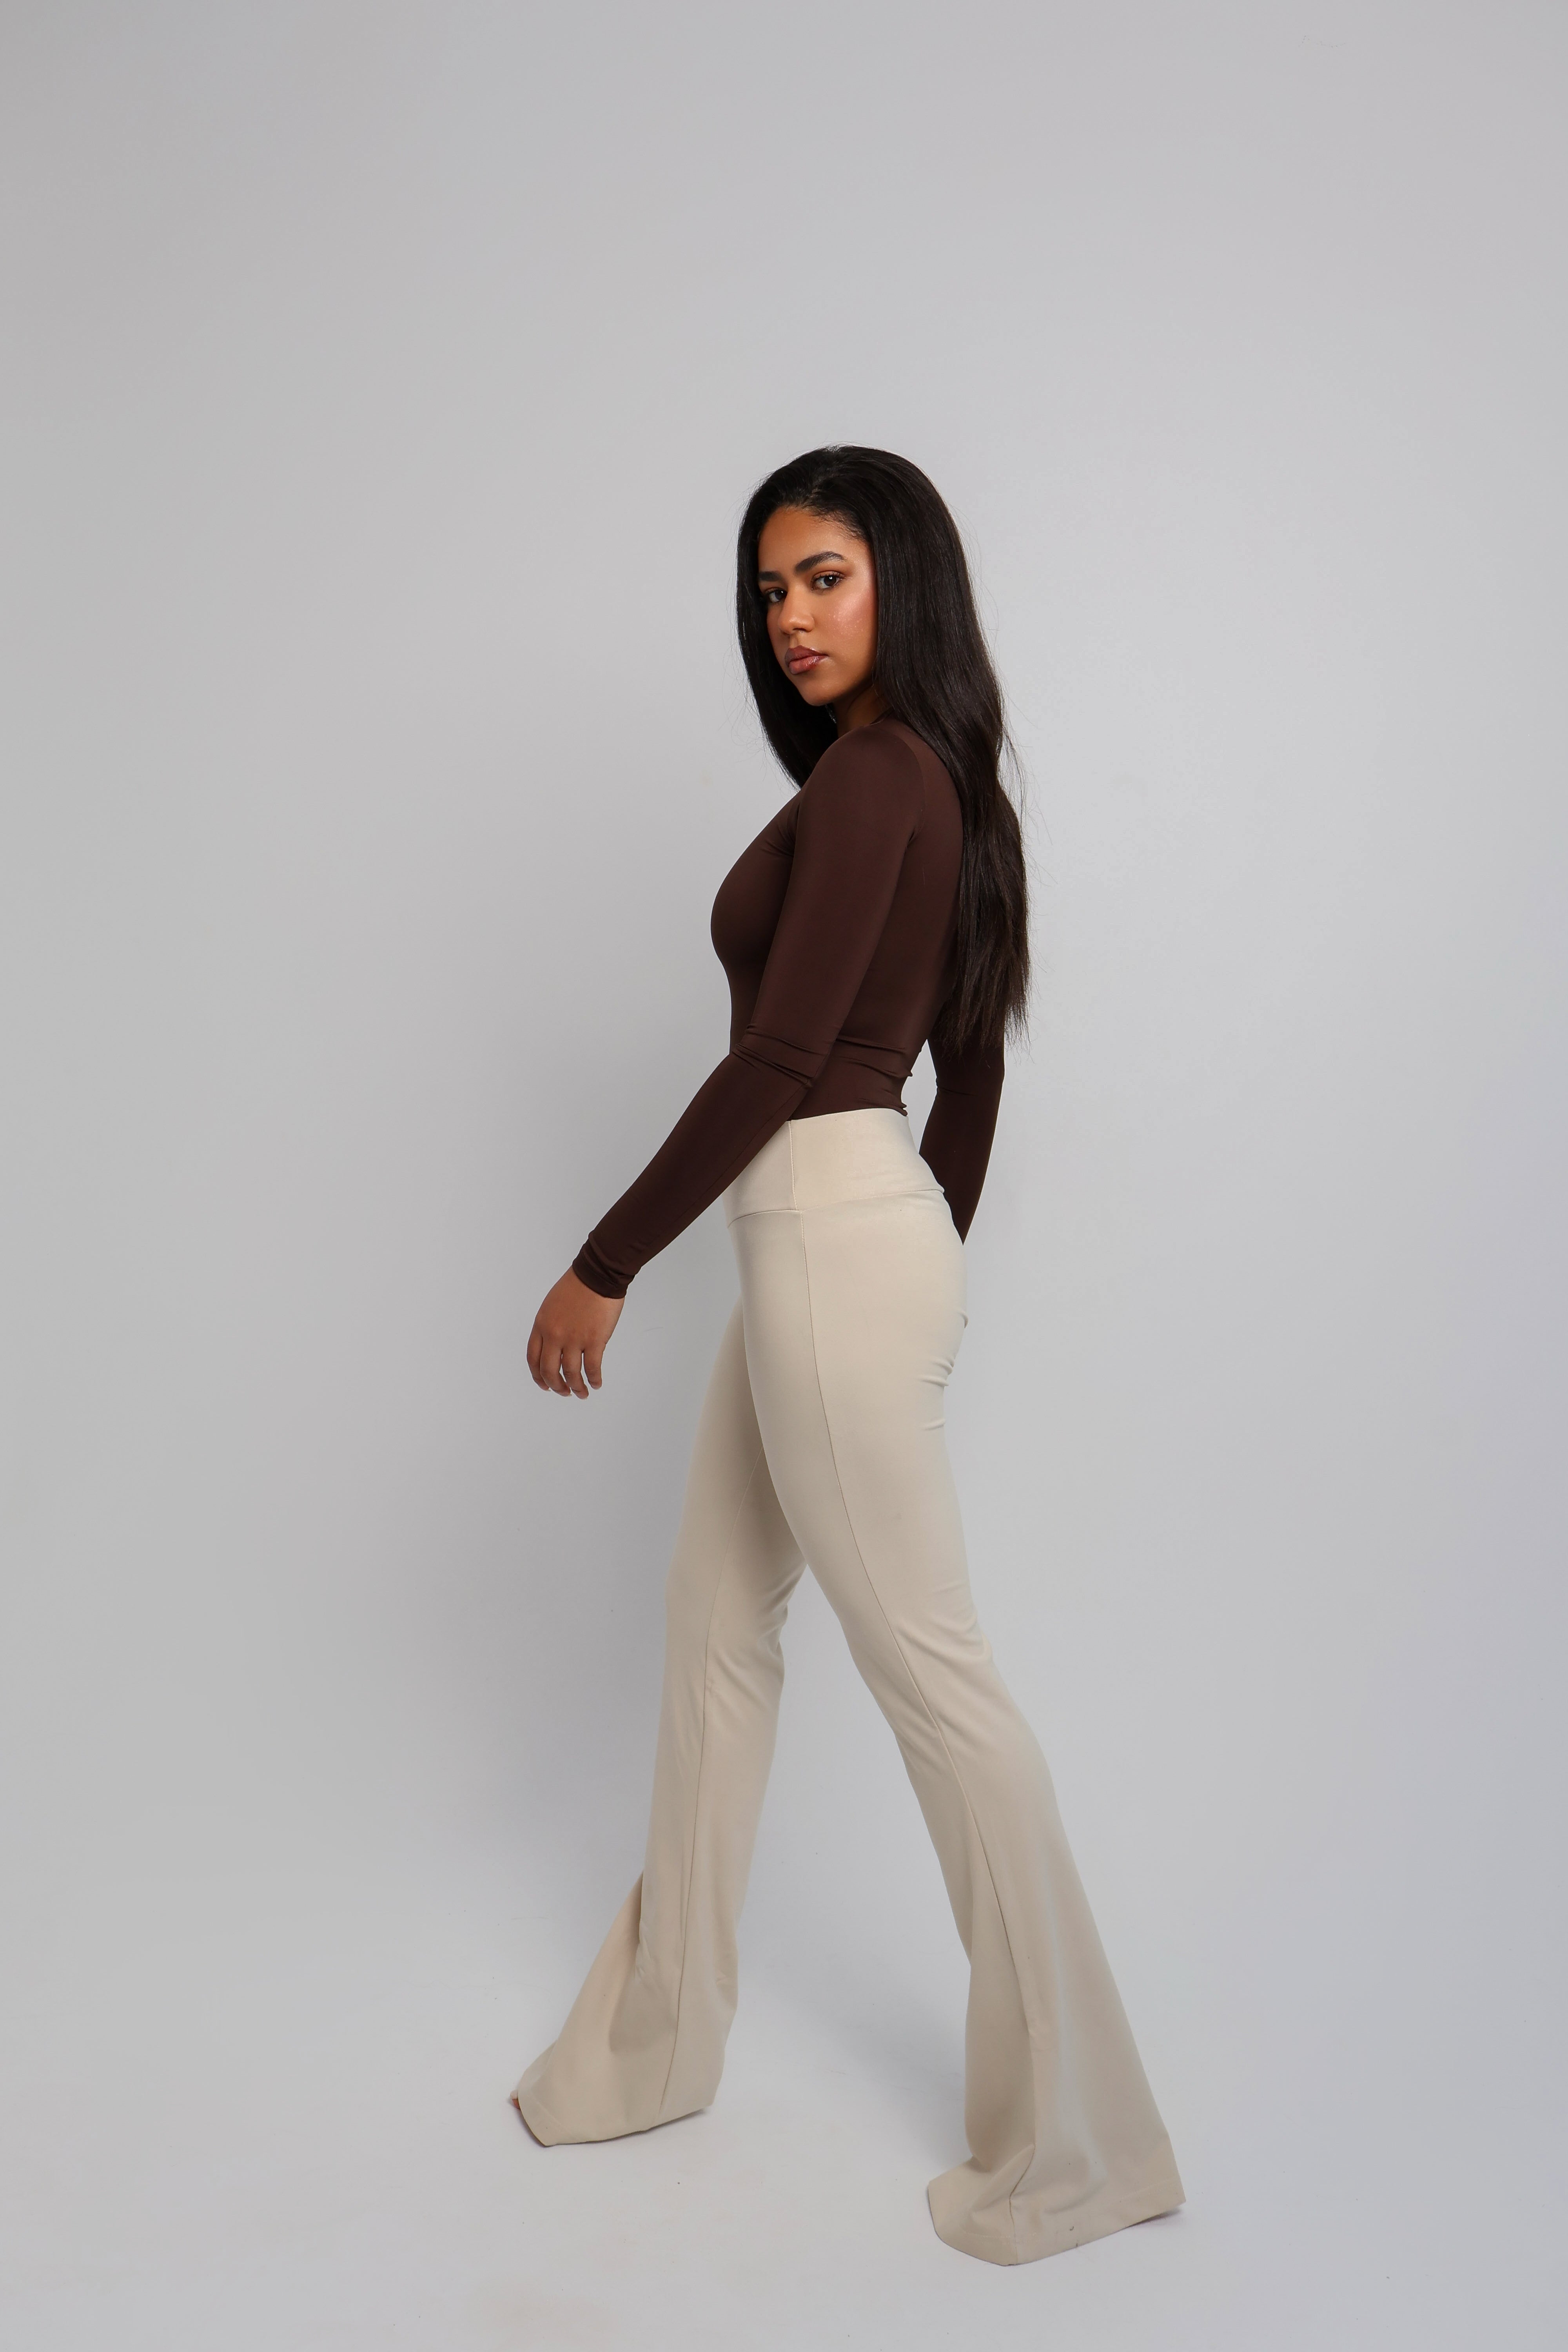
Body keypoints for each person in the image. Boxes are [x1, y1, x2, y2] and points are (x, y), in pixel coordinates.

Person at [515, 446, 1183, 2266]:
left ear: (903, 579)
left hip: (823, 1230)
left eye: (823, 578)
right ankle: (654, 2048)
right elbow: (961, 1077)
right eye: (769, 591)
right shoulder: (924, 781)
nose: (790, 619)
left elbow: (785, 1057)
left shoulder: (884, 777)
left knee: (934, 1679)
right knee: (712, 1625)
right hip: (840, 1236)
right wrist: (925, 1252)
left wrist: (604, 1264)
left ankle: (1085, 2142)